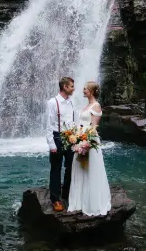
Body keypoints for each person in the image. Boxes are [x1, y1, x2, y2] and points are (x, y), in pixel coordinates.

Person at [67, 81, 111, 217]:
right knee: (80, 169)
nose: (83, 90)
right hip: (80, 138)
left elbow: (93, 127)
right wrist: (76, 137)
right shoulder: (86, 106)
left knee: (90, 170)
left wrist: (86, 143)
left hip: (89, 141)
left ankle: (92, 203)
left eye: (85, 89)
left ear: (91, 91)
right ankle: (80, 202)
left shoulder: (96, 106)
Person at [45, 77, 76, 212]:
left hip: (71, 138)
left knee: (71, 168)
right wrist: (52, 144)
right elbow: (48, 125)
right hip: (57, 137)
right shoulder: (53, 102)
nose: (74, 89)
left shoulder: (71, 102)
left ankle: (66, 194)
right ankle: (55, 199)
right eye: (71, 86)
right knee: (56, 169)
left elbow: (73, 121)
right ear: (64, 87)